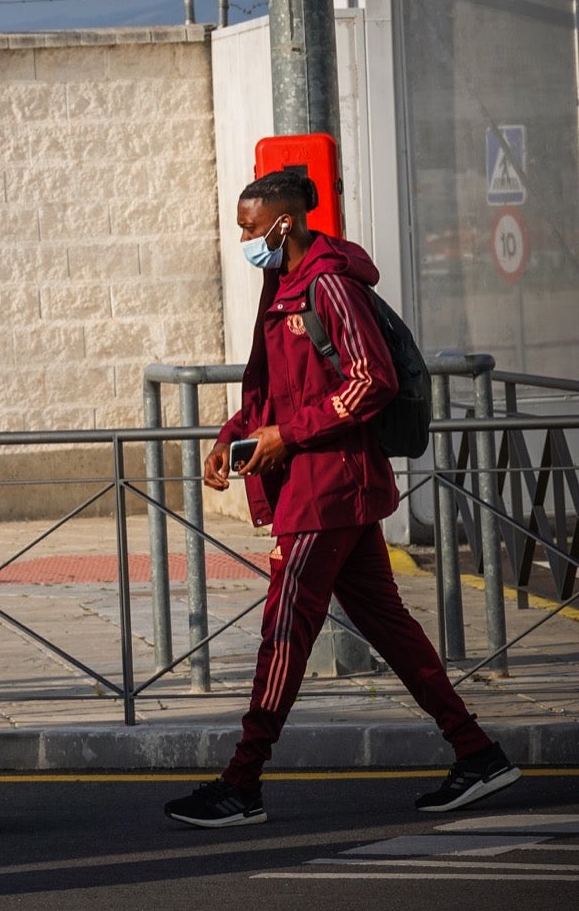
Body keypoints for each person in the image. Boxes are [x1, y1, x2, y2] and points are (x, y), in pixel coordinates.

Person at [163, 170, 521, 829]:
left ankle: (241, 783)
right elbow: (268, 387)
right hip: (319, 489)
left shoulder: (329, 285)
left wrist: (287, 434)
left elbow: (371, 381)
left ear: (283, 223)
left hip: (329, 491)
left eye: (249, 227)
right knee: (389, 627)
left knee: (283, 635)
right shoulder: (284, 286)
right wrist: (233, 438)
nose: (242, 239)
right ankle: (478, 753)